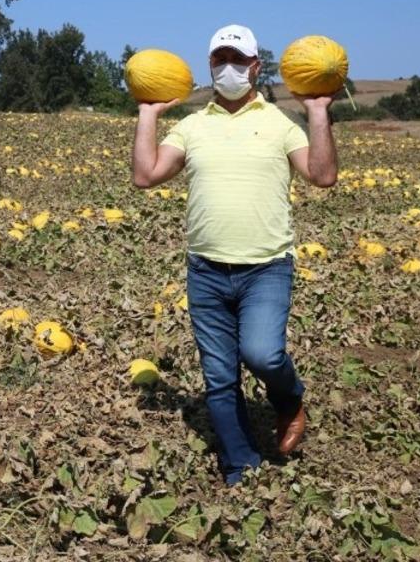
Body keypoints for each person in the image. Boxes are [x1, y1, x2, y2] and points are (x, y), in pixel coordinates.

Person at [130, 24, 338, 485]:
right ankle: (241, 467)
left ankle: (289, 400)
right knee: (220, 379)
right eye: (220, 60)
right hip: (205, 270)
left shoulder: (281, 124)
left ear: (255, 67)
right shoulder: (191, 126)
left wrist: (318, 113)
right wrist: (148, 114)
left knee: (262, 355)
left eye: (238, 60)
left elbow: (322, 177)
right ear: (210, 66)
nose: (229, 68)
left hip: (266, 268)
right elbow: (146, 176)